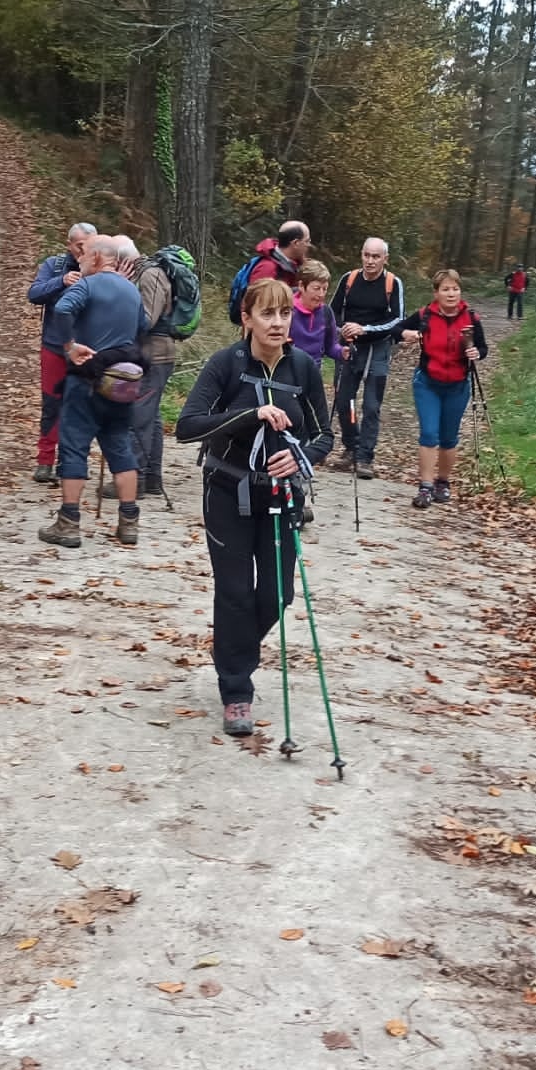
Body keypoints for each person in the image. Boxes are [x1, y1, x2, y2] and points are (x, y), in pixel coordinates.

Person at [175, 277, 332, 735]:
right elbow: (188, 426)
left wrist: (301, 457)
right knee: (236, 592)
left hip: (282, 495)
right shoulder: (226, 363)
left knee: (277, 595)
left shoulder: (302, 369)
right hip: (228, 491)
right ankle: (236, 691)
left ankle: (232, 649)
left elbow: (324, 435)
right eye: (267, 313)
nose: (278, 323)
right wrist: (251, 414)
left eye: (284, 313)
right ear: (247, 319)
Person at [42, 235, 145, 548]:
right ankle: (129, 523)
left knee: (73, 447)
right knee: (120, 446)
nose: (80, 260)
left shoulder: (87, 285)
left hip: (86, 379)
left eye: (84, 254)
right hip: (121, 382)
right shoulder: (132, 290)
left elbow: (62, 309)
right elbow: (144, 325)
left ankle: (68, 523)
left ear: (98, 257)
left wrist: (69, 346)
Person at [397, 268, 488, 509]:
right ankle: (425, 487)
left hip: (458, 385)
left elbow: (483, 348)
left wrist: (476, 353)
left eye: (455, 289)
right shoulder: (425, 315)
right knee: (429, 434)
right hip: (428, 383)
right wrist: (407, 333)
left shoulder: (471, 318)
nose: (451, 294)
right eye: (445, 289)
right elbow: (397, 330)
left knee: (449, 437)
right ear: (436, 293)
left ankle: (443, 483)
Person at [27, 222, 98, 483]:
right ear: (69, 245)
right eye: (80, 245)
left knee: (83, 405)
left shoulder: (100, 268)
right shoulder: (54, 266)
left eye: (90, 245)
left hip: (88, 349)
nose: (84, 250)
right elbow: (34, 294)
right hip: (55, 347)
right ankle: (44, 461)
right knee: (52, 404)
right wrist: (61, 281)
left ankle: (72, 461)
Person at [330, 238, 406, 479]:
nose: (370, 261)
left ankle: (365, 457)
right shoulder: (349, 279)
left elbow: (398, 319)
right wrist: (342, 329)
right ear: (361, 255)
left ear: (385, 259)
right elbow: (332, 312)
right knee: (344, 401)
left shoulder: (392, 283)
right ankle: (351, 446)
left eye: (376, 256)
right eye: (367, 255)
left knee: (371, 406)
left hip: (378, 349)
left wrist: (365, 329)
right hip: (348, 347)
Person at [130, 237, 177, 499]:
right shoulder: (149, 274)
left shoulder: (150, 275)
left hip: (155, 355)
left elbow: (147, 319)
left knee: (139, 417)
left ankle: (135, 481)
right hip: (154, 353)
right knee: (151, 416)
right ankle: (151, 479)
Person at [289, 260, 345, 368]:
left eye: (325, 289)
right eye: (316, 288)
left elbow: (331, 346)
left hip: (314, 371)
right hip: (289, 371)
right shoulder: (286, 310)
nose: (321, 294)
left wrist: (342, 352)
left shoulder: (326, 312)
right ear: (301, 286)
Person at [245, 220, 311, 291]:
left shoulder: (295, 264)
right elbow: (258, 297)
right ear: (296, 243)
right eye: (307, 241)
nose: (309, 245)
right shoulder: (267, 268)